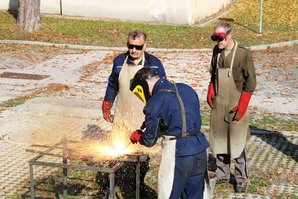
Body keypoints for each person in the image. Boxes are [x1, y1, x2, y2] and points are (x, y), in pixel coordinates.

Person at [101, 30, 166, 196]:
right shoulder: (119, 62)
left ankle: (139, 184)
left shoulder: (155, 64)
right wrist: (107, 103)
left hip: (143, 117)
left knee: (142, 155)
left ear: (145, 46)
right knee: (117, 151)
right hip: (123, 113)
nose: (134, 50)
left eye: (138, 47)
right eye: (130, 46)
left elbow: (162, 90)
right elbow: (112, 84)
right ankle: (110, 185)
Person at [129, 68, 209, 199]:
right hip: (200, 148)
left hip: (178, 152)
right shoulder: (186, 89)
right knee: (194, 196)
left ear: (142, 85)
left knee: (168, 195)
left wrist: (139, 136)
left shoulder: (155, 101)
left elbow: (149, 140)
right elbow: (182, 118)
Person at [207, 22, 256, 193]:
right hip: (219, 105)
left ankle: (241, 179)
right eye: (214, 37)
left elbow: (251, 83)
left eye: (219, 37)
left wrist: (242, 106)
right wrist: (211, 89)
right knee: (219, 141)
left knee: (237, 143)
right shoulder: (216, 51)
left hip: (236, 105)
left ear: (229, 35)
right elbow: (213, 74)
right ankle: (222, 174)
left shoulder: (243, 54)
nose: (217, 41)